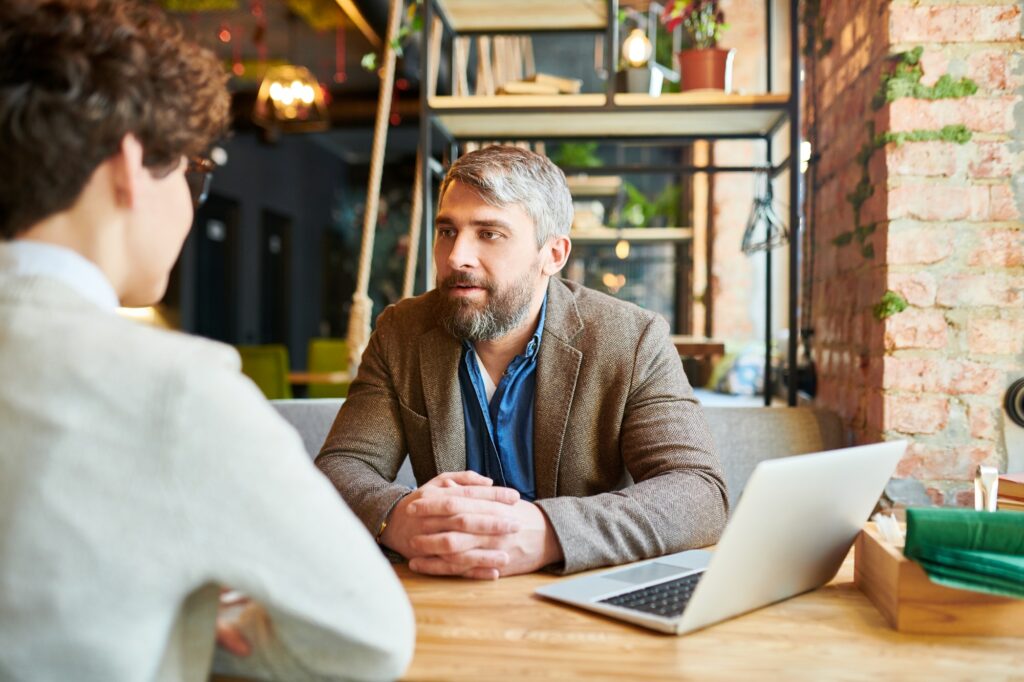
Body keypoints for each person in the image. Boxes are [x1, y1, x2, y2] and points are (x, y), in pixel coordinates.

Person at [0, 1, 413, 680]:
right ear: (131, 163)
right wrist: (207, 627)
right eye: (194, 171)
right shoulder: (172, 387)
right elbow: (367, 637)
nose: (194, 201)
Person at [317, 145, 728, 579]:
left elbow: (699, 491)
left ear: (553, 254)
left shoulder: (632, 339)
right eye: (447, 231)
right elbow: (340, 467)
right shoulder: (402, 332)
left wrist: (548, 532)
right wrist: (395, 516)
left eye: (489, 233)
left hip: (580, 600)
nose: (457, 257)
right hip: (445, 597)